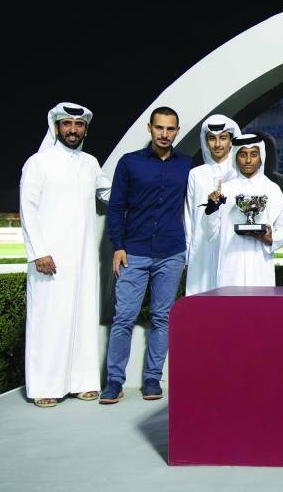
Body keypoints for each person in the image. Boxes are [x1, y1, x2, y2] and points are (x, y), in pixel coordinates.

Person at [19, 102, 111, 407]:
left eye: (79, 124)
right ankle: (45, 386)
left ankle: (82, 382)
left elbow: (109, 194)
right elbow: (27, 210)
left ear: (85, 129)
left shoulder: (91, 163)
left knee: (82, 317)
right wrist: (39, 252)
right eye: (67, 124)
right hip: (50, 260)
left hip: (83, 258)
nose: (73, 130)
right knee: (49, 320)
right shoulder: (39, 163)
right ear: (57, 127)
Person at [100, 106, 191, 404]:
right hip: (134, 252)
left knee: (162, 317)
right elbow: (116, 208)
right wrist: (119, 246)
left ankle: (152, 378)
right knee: (123, 317)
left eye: (170, 129)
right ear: (149, 128)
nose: (164, 134)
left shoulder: (187, 165)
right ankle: (114, 381)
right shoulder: (129, 163)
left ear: (177, 131)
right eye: (159, 128)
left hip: (171, 252)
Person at [205, 133, 283, 287]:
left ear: (261, 156)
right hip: (230, 266)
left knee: (261, 310)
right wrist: (211, 209)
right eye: (243, 154)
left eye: (254, 154)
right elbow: (210, 234)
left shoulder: (271, 189)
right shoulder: (224, 189)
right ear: (236, 157)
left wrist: (270, 239)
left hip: (260, 266)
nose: (249, 160)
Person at [183, 114, 240, 295]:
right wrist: (188, 253)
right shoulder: (196, 174)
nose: (217, 144)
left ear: (231, 141)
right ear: (206, 141)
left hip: (232, 246)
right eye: (212, 138)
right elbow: (188, 216)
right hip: (201, 249)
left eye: (223, 138)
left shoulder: (240, 172)